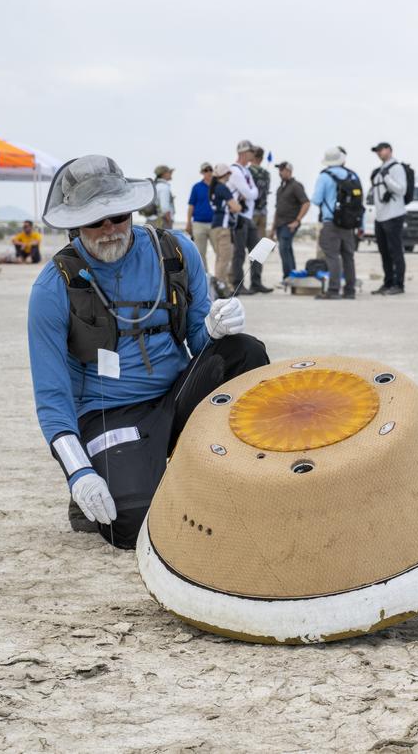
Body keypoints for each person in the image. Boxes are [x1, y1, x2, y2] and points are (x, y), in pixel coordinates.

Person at [29, 155, 268, 549]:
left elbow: (200, 340)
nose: (110, 230)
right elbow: (52, 400)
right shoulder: (52, 289)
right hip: (108, 416)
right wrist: (79, 473)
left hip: (176, 396)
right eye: (95, 221)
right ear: (73, 223)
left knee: (244, 351)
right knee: (134, 526)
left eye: (119, 216)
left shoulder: (176, 252)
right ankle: (103, 480)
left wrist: (215, 327)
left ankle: (245, 477)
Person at [310, 146, 364, 300]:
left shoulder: (325, 176)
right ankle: (350, 290)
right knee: (348, 256)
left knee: (332, 256)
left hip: (331, 222)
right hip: (349, 223)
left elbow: (316, 199)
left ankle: (333, 290)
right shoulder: (353, 176)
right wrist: (361, 226)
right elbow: (359, 204)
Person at [229, 141, 270, 294]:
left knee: (258, 250)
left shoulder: (245, 171)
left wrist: (250, 192)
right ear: (244, 153)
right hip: (239, 217)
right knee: (239, 252)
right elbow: (249, 193)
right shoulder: (235, 171)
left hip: (248, 216)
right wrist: (249, 192)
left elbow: (254, 193)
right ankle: (238, 284)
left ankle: (256, 282)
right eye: (251, 152)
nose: (253, 155)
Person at [369, 142, 407, 295]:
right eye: (377, 151)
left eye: (381, 150)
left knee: (395, 251)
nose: (379, 153)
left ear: (389, 150)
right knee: (384, 252)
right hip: (381, 217)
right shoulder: (380, 170)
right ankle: (388, 282)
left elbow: (401, 190)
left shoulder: (396, 168)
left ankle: (399, 284)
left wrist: (387, 179)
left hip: (394, 215)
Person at [270, 161, 310, 279]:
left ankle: (287, 276)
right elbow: (277, 210)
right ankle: (292, 275)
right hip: (280, 224)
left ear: (289, 171)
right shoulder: (279, 189)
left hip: (290, 224)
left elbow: (306, 203)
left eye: (282, 170)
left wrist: (297, 220)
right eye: (279, 170)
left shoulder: (296, 186)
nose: (280, 172)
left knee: (284, 248)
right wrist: (272, 229)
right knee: (287, 249)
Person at [209, 162, 239, 294]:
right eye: (228, 173)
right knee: (225, 258)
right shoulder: (223, 188)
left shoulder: (214, 188)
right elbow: (236, 207)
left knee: (219, 258)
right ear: (224, 174)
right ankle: (220, 287)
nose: (230, 176)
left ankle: (218, 285)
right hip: (223, 228)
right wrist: (237, 205)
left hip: (215, 227)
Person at [185, 162, 215, 269]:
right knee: (200, 253)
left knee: (220, 252)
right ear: (202, 172)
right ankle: (205, 278)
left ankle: (219, 279)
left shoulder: (218, 186)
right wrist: (188, 223)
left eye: (210, 169)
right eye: (206, 170)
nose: (209, 172)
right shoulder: (196, 187)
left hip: (215, 224)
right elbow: (191, 206)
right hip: (198, 224)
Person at [250, 146, 271, 257]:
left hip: (251, 212)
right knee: (260, 247)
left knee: (249, 244)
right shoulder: (266, 174)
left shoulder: (248, 172)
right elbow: (266, 191)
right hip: (263, 211)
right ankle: (257, 271)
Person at [146, 165, 175, 229]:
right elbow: (164, 208)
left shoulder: (155, 185)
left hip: (151, 220)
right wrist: (169, 222)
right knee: (164, 239)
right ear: (164, 174)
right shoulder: (164, 187)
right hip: (161, 221)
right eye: (169, 172)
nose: (171, 174)